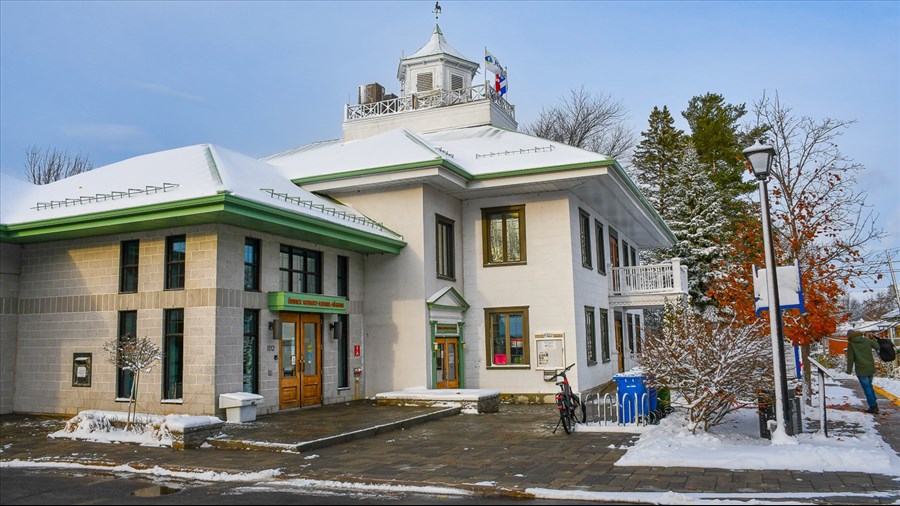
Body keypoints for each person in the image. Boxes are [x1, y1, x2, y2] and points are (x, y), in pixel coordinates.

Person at [846, 329, 881, 414]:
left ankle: (873, 406)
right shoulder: (867, 340)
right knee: (869, 386)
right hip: (870, 368)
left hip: (861, 369)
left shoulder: (851, 344)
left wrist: (848, 371)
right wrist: (872, 339)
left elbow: (851, 359)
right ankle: (874, 404)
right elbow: (878, 347)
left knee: (867, 388)